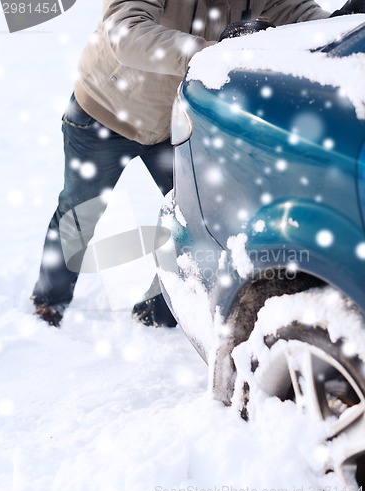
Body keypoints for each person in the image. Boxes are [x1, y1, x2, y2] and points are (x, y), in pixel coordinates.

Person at [31, 0, 364, 327]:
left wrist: (336, 25)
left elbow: (297, 13)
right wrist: (212, 52)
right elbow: (125, 31)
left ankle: (160, 308)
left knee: (192, 218)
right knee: (80, 213)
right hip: (105, 112)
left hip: (171, 121)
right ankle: (50, 299)